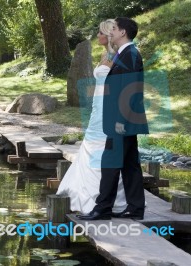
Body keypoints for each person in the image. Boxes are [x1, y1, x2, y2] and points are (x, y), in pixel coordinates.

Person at [78, 17, 149, 220]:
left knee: (110, 162)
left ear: (123, 32)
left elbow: (131, 91)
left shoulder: (130, 54)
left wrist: (120, 120)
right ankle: (135, 209)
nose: (111, 32)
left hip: (122, 121)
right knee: (129, 164)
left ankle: (103, 208)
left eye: (114, 29)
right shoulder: (124, 54)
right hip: (125, 120)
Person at [57, 19, 127, 215]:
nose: (97, 36)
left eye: (100, 33)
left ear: (109, 35)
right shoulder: (105, 53)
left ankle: (102, 198)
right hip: (98, 106)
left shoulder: (118, 56)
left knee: (103, 147)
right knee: (91, 144)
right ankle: (85, 193)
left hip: (109, 108)